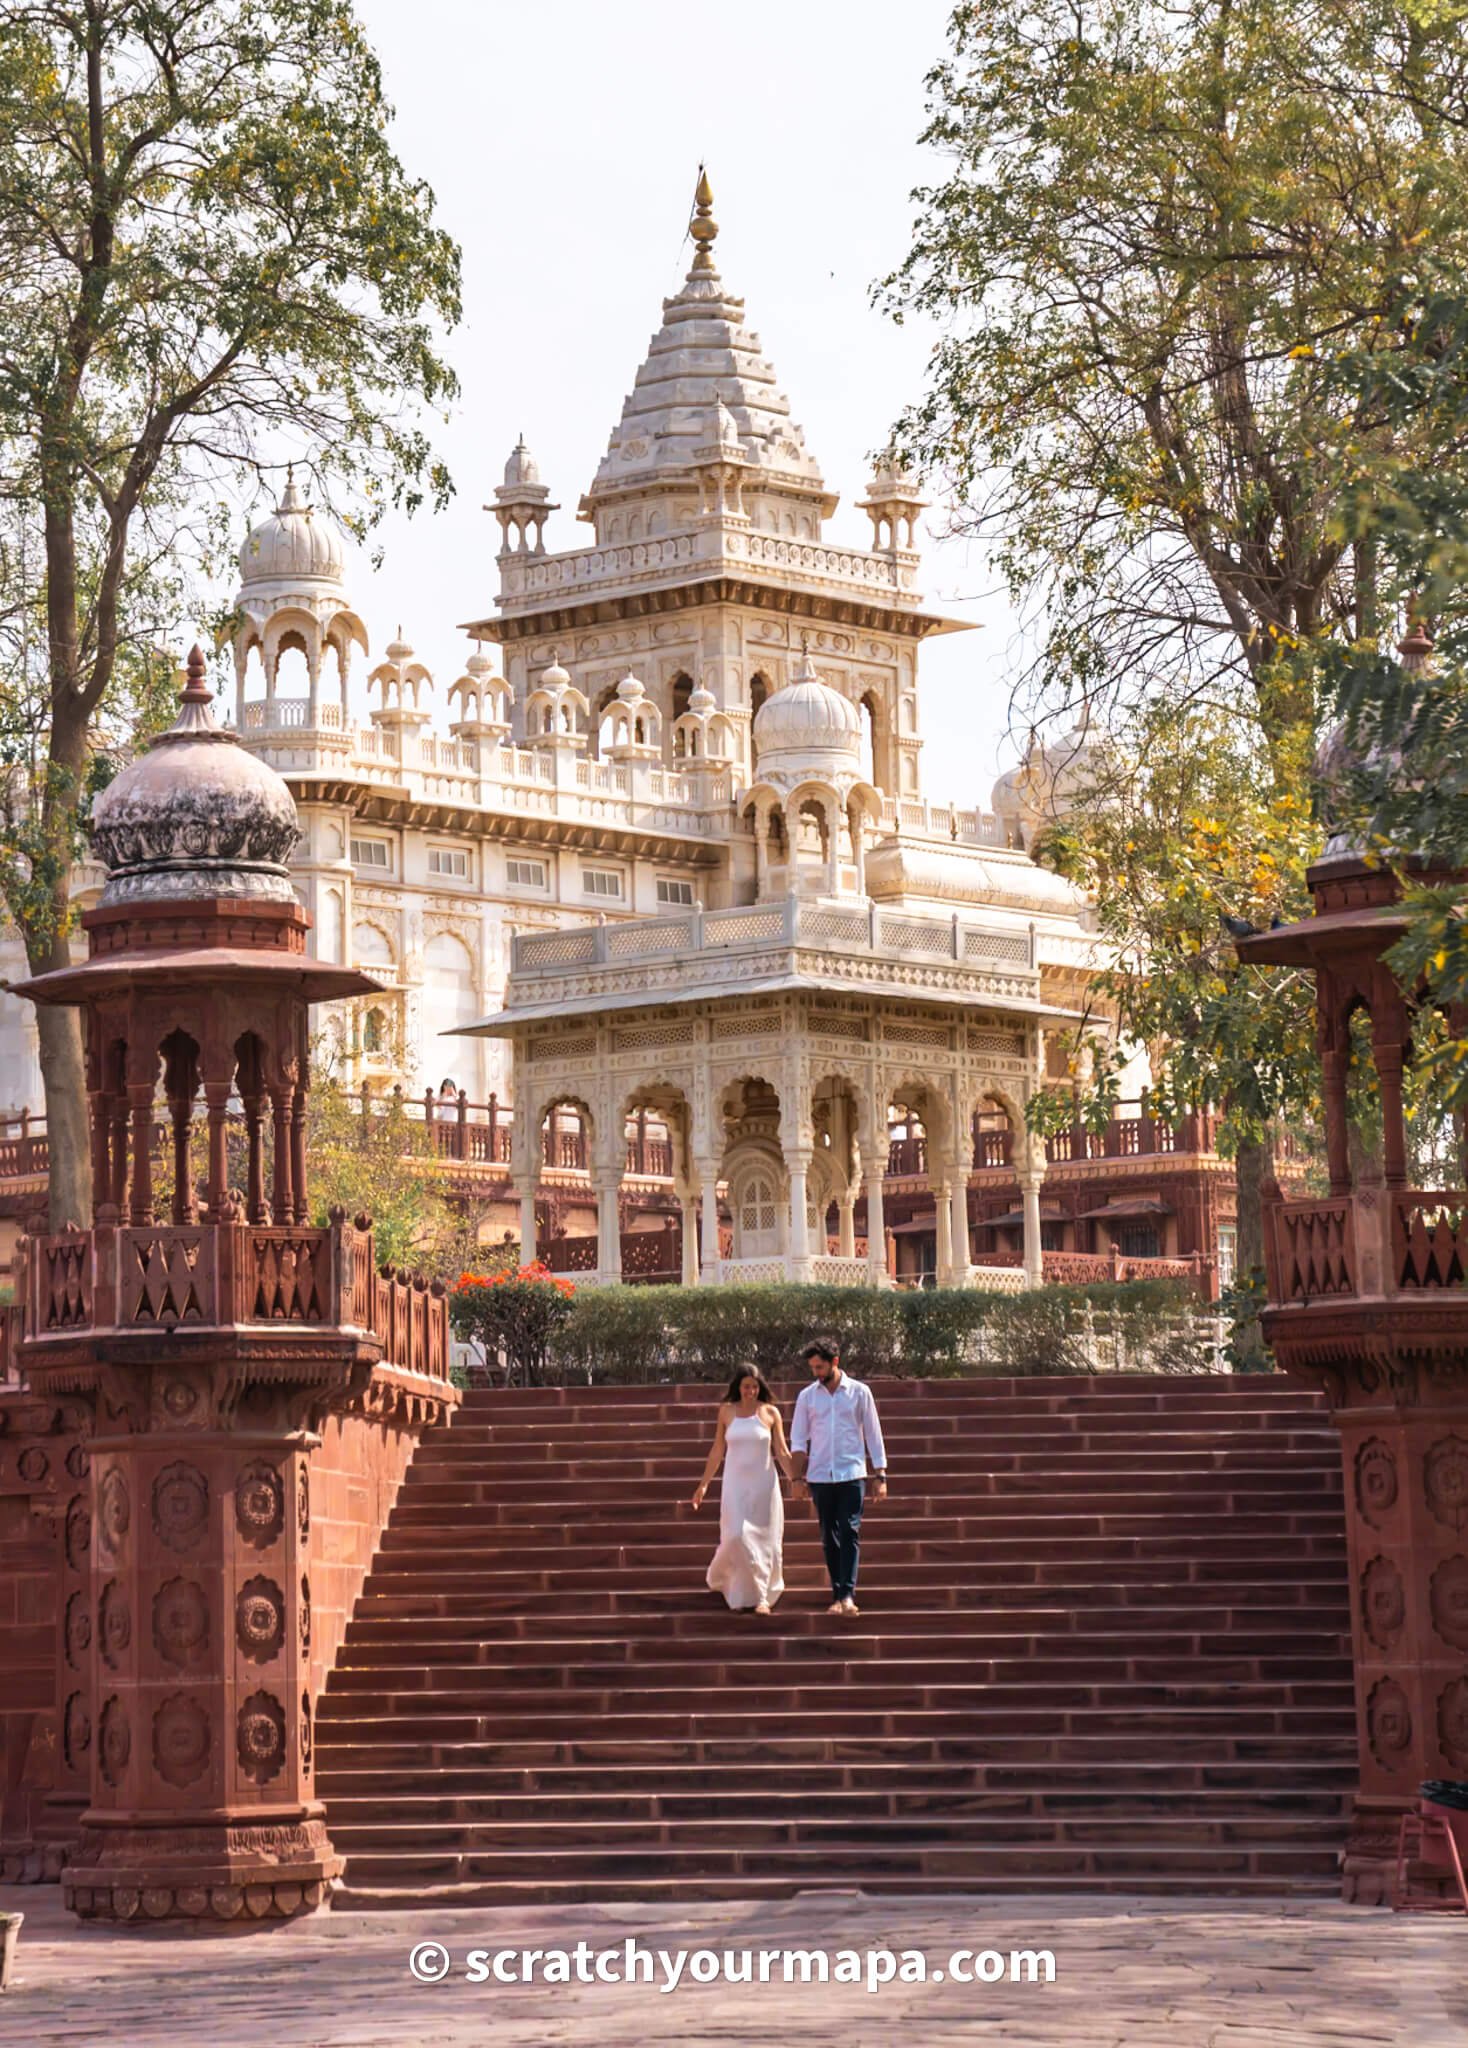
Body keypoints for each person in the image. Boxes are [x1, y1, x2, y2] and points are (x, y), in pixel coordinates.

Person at [790, 1337, 887, 1616]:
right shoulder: (807, 1396)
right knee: (827, 1536)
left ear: (835, 1362)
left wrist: (880, 1474)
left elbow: (873, 1433)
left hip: (852, 1473)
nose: (816, 1373)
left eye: (820, 1367)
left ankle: (847, 1595)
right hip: (820, 1476)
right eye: (812, 1368)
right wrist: (797, 1479)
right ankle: (836, 1594)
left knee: (849, 1530)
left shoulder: (859, 1392)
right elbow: (798, 1439)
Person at [689, 1365, 794, 1615]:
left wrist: (797, 1479)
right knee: (736, 1535)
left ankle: (761, 1598)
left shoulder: (770, 1413)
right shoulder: (727, 1412)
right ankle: (734, 1587)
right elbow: (717, 1451)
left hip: (764, 1486)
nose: (751, 1391)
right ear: (738, 1386)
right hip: (735, 1486)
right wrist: (703, 1484)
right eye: (746, 1386)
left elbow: (781, 1451)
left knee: (763, 1541)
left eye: (755, 1386)